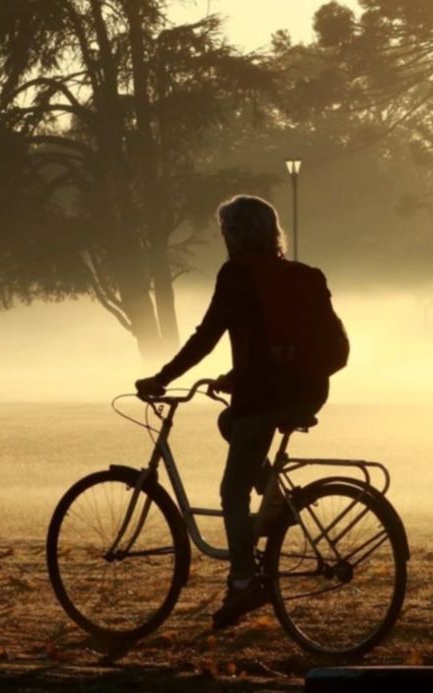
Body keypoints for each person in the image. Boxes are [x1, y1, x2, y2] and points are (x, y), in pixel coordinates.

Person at [135, 195, 338, 629]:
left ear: (235, 234)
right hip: (307, 390)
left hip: (268, 396)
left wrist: (161, 378)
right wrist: (235, 376)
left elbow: (206, 335)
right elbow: (267, 342)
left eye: (226, 231)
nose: (224, 239)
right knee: (229, 420)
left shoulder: (238, 274)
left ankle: (244, 581)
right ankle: (276, 501)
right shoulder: (295, 274)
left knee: (232, 490)